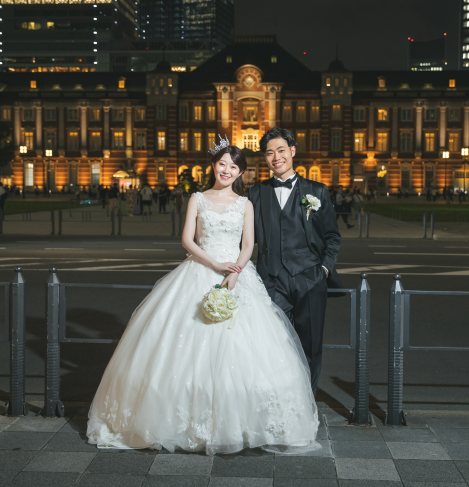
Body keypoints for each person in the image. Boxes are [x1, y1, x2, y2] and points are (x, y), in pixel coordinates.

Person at [86, 142, 318, 454]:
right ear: (213, 165)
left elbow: (248, 244)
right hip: (200, 269)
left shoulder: (245, 204)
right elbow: (186, 240)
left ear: (240, 172)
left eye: (234, 167)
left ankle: (245, 421)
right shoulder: (197, 198)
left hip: (236, 274)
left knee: (245, 347)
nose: (227, 171)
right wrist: (214, 264)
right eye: (223, 164)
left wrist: (234, 273)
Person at [249, 127, 342, 396]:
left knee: (310, 345)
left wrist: (324, 268)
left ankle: (307, 403)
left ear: (292, 151)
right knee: (273, 345)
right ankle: (279, 401)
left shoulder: (317, 191)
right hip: (271, 281)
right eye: (269, 153)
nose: (276, 157)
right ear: (265, 159)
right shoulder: (256, 194)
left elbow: (332, 236)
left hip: (310, 279)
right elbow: (245, 239)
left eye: (280, 150)